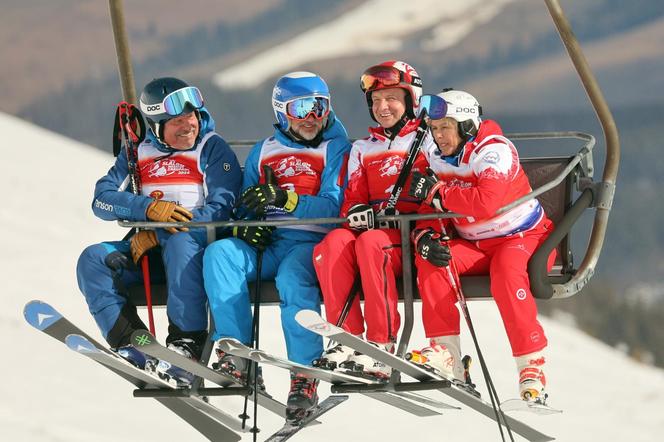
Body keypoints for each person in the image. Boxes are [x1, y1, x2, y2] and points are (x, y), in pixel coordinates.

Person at [202, 72, 352, 418]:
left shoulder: (336, 148)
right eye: (301, 108)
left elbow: (334, 207)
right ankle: (237, 356)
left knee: (291, 278)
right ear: (282, 111)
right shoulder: (264, 150)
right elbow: (243, 203)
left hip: (312, 241)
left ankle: (304, 374)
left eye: (320, 106)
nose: (312, 117)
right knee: (220, 254)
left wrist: (287, 200)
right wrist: (246, 228)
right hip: (270, 243)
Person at [76, 77, 241, 386]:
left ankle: (186, 345)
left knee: (179, 242)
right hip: (149, 254)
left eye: (190, 117)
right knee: (94, 259)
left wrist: (161, 232)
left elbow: (224, 207)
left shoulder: (211, 148)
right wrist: (146, 210)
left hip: (195, 253)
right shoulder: (138, 153)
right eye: (177, 121)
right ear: (156, 125)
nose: (188, 125)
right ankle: (134, 344)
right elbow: (102, 201)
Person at [407, 89, 556, 403]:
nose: (439, 136)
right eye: (434, 128)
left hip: (523, 238)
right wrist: (423, 237)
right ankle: (446, 355)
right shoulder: (435, 156)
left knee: (507, 271)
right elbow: (425, 210)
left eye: (446, 127)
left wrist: (438, 192)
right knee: (435, 261)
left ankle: (531, 365)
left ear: (466, 124)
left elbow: (486, 202)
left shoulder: (493, 151)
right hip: (476, 245)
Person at [313, 60, 436, 379]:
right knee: (334, 242)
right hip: (377, 235)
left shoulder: (428, 142)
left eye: (392, 98)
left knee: (371, 243)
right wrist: (355, 214)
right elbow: (353, 197)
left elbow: (441, 191)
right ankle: (347, 340)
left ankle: (382, 344)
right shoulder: (363, 148)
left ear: (411, 100)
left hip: (408, 241)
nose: (383, 107)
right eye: (376, 101)